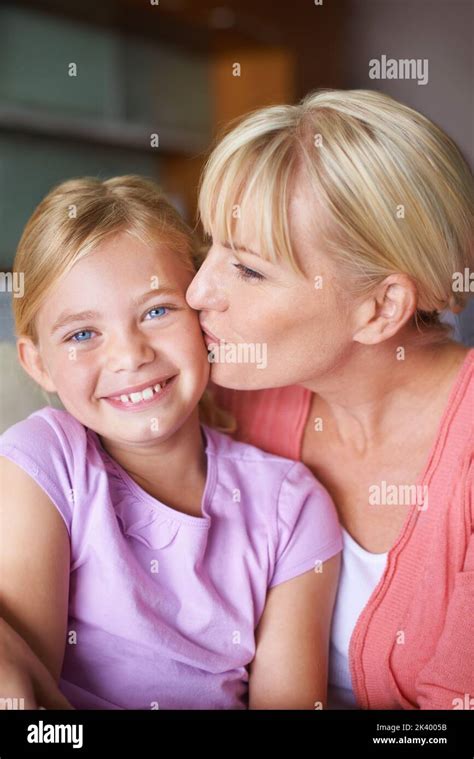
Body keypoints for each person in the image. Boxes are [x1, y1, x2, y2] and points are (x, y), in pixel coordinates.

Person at [0, 175, 342, 710]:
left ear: (205, 316)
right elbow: (24, 688)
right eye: (82, 334)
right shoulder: (44, 461)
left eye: (157, 311)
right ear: (38, 363)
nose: (130, 355)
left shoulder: (291, 506)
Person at [186, 89, 474, 710]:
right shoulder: (236, 402)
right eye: (209, 247)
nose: (197, 290)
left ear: (381, 308)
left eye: (248, 270)